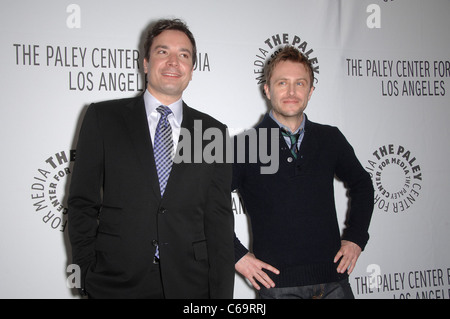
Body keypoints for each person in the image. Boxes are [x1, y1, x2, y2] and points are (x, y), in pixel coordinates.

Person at [68, 18, 234, 299]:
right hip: (115, 283)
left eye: (184, 55)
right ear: (145, 63)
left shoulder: (213, 132)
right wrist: (86, 273)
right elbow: (82, 202)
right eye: (162, 51)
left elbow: (218, 220)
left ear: (192, 69)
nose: (173, 62)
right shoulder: (102, 118)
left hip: (191, 285)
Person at [233, 45, 374, 299]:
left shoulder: (330, 138)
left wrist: (355, 238)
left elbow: (362, 184)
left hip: (334, 282)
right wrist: (236, 254)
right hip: (277, 288)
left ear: (310, 91)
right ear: (267, 89)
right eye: (282, 83)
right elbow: (208, 203)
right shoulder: (245, 145)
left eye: (300, 83)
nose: (291, 91)